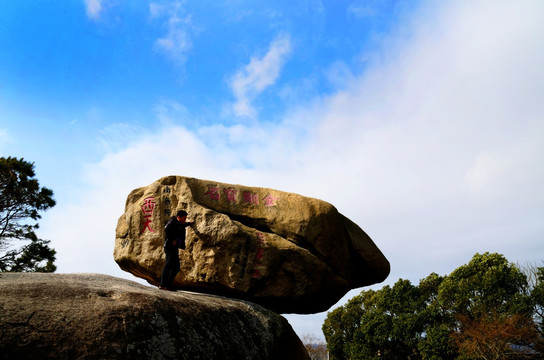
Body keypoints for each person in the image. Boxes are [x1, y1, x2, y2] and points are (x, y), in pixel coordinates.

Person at [159, 210, 194, 291]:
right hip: (169, 246)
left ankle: (168, 285)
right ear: (179, 217)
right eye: (184, 218)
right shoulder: (172, 221)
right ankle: (162, 284)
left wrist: (190, 223)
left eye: (186, 218)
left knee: (176, 268)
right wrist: (172, 239)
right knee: (168, 265)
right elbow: (166, 229)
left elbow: (183, 225)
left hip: (174, 247)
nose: (185, 220)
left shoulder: (180, 223)